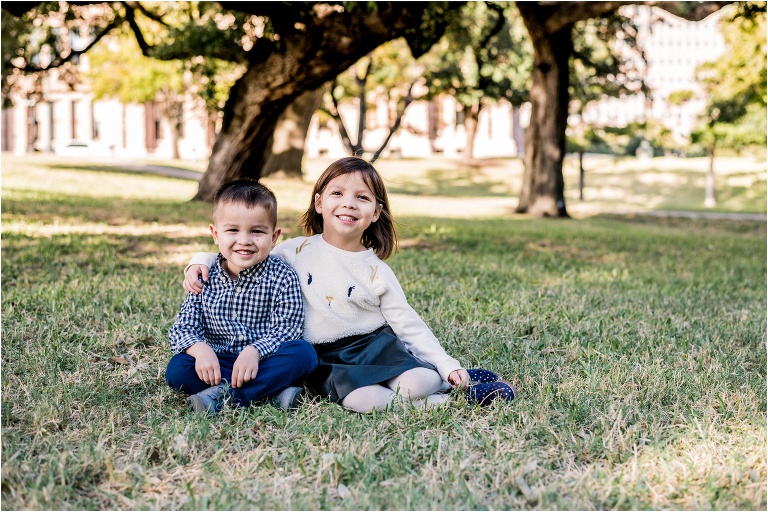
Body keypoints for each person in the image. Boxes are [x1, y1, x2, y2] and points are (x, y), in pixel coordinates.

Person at [184, 157, 515, 412]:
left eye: (362, 197)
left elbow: (408, 324)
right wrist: (199, 259)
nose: (349, 203)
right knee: (365, 402)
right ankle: (447, 401)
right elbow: (242, 251)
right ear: (318, 203)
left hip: (373, 346)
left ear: (375, 212)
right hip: (324, 358)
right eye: (337, 193)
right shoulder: (296, 250)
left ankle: (456, 379)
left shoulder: (376, 271)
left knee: (419, 382)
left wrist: (447, 364)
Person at [167, 179, 317, 415]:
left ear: (274, 236)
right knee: (177, 368)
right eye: (233, 230)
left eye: (257, 231)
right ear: (215, 234)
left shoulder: (283, 276)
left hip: (264, 361)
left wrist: (254, 351)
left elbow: (287, 329)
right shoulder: (204, 276)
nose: (244, 240)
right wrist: (200, 350)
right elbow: (183, 327)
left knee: (304, 354)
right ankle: (273, 394)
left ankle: (222, 397)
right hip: (218, 361)